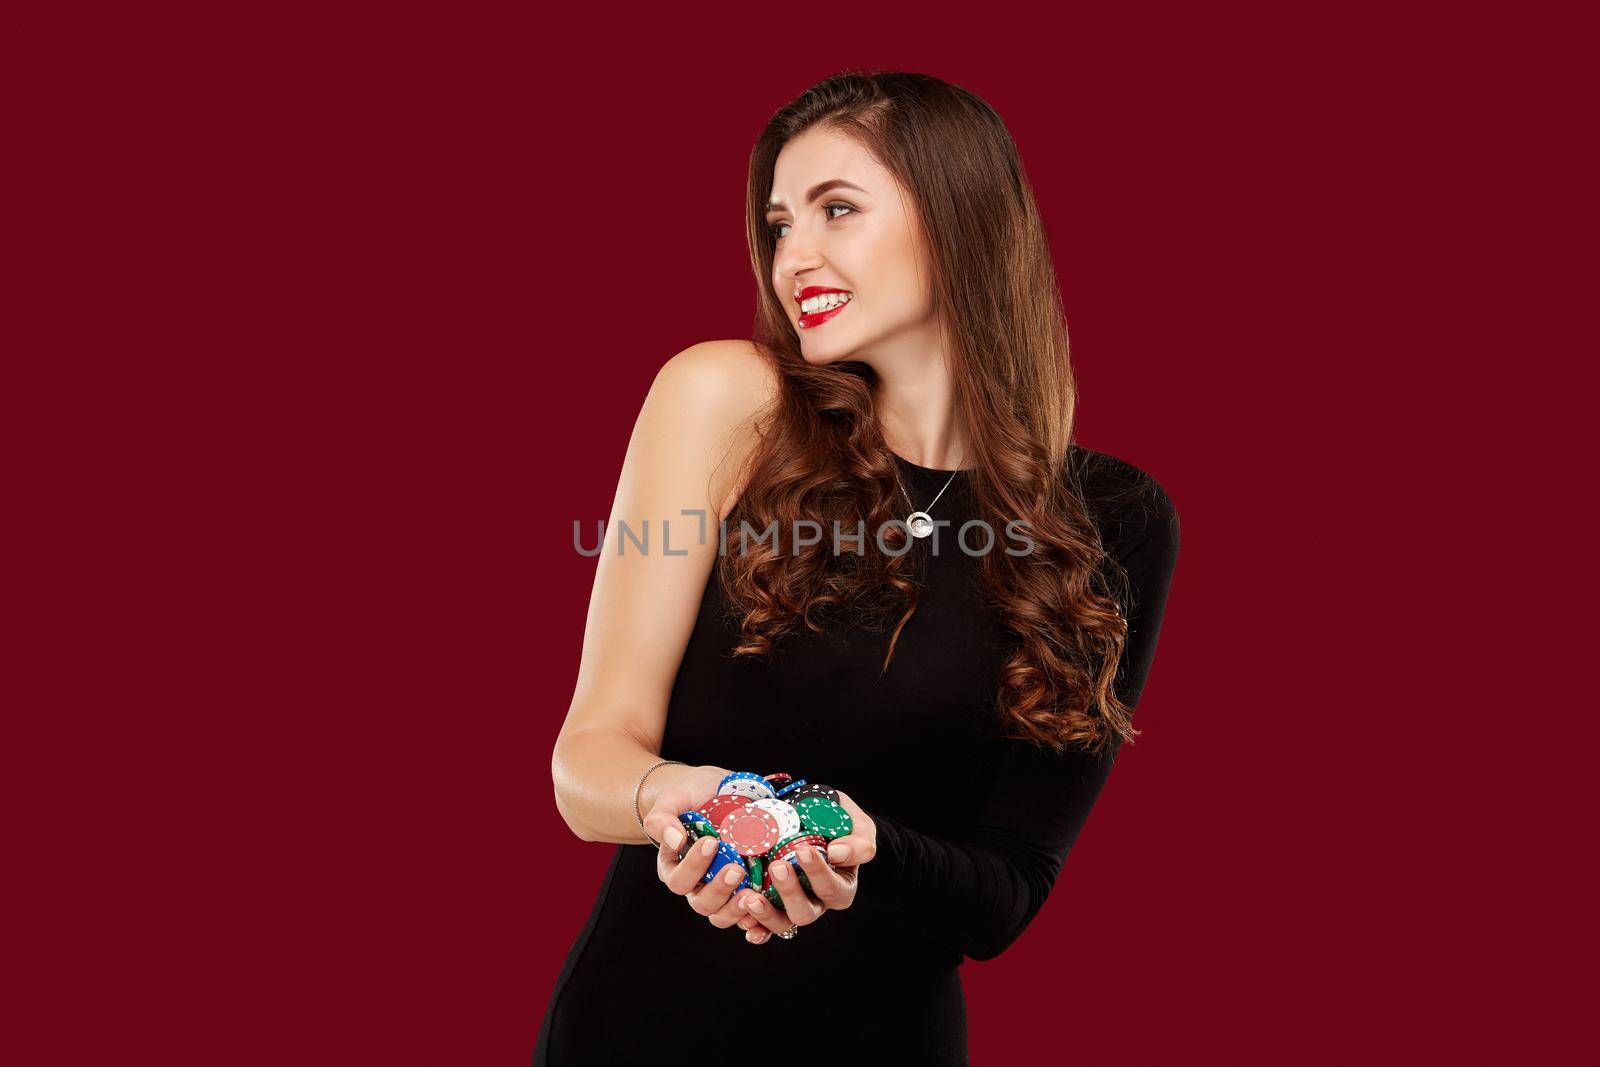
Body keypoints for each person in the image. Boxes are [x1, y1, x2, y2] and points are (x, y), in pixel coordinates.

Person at [537, 70, 1181, 1065]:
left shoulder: (1113, 516)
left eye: (838, 210)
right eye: (780, 223)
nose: (796, 256)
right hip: (642, 1032)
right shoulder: (726, 400)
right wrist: (703, 800)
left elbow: (1005, 893)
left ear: (960, 220)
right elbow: (588, 761)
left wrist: (846, 836)